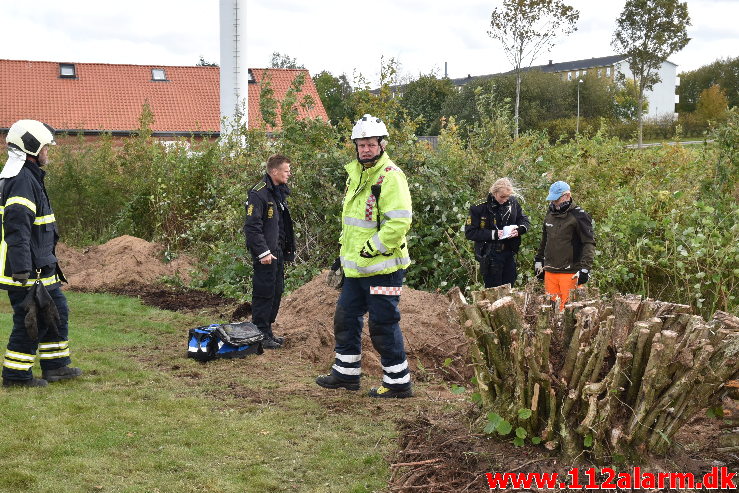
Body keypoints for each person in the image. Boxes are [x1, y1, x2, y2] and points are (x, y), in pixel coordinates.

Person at [316, 114, 413, 398]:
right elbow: (352, 225)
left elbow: (399, 222)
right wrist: (342, 258)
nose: (365, 149)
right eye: (361, 145)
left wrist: (374, 247)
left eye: (371, 144)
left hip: (383, 269)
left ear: (382, 145)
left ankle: (398, 383)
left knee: (382, 325)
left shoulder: (390, 176)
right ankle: (346, 376)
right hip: (356, 270)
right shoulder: (356, 175)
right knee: (345, 319)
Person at [1, 120, 82, 387]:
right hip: (25, 268)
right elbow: (17, 228)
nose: (49, 151)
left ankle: (56, 366)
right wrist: (23, 269)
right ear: (32, 147)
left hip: (41, 264)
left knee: (56, 311)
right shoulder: (22, 180)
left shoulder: (29, 175)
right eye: (46, 146)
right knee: (30, 321)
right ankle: (16, 376)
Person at [243, 154, 295, 349]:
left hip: (278, 251)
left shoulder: (278, 192)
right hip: (265, 254)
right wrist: (262, 252)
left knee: (276, 291)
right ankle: (259, 332)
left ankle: (268, 331)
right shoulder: (259, 193)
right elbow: (252, 227)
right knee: (264, 292)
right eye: (286, 170)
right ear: (274, 171)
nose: (289, 174)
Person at [534, 181, 595, 310]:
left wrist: (585, 269)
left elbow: (588, 243)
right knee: (550, 308)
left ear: (567, 196)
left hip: (570, 272)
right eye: (552, 199)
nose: (554, 203)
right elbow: (545, 239)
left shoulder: (579, 215)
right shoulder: (549, 214)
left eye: (557, 199)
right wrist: (539, 259)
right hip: (550, 270)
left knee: (568, 309)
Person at [465, 178, 530, 288]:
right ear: (494, 193)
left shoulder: (513, 203)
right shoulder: (479, 207)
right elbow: (470, 232)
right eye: (502, 197)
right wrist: (493, 234)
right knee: (493, 292)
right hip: (490, 254)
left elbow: (524, 220)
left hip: (509, 252)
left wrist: (519, 230)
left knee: (509, 289)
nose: (505, 199)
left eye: (508, 196)